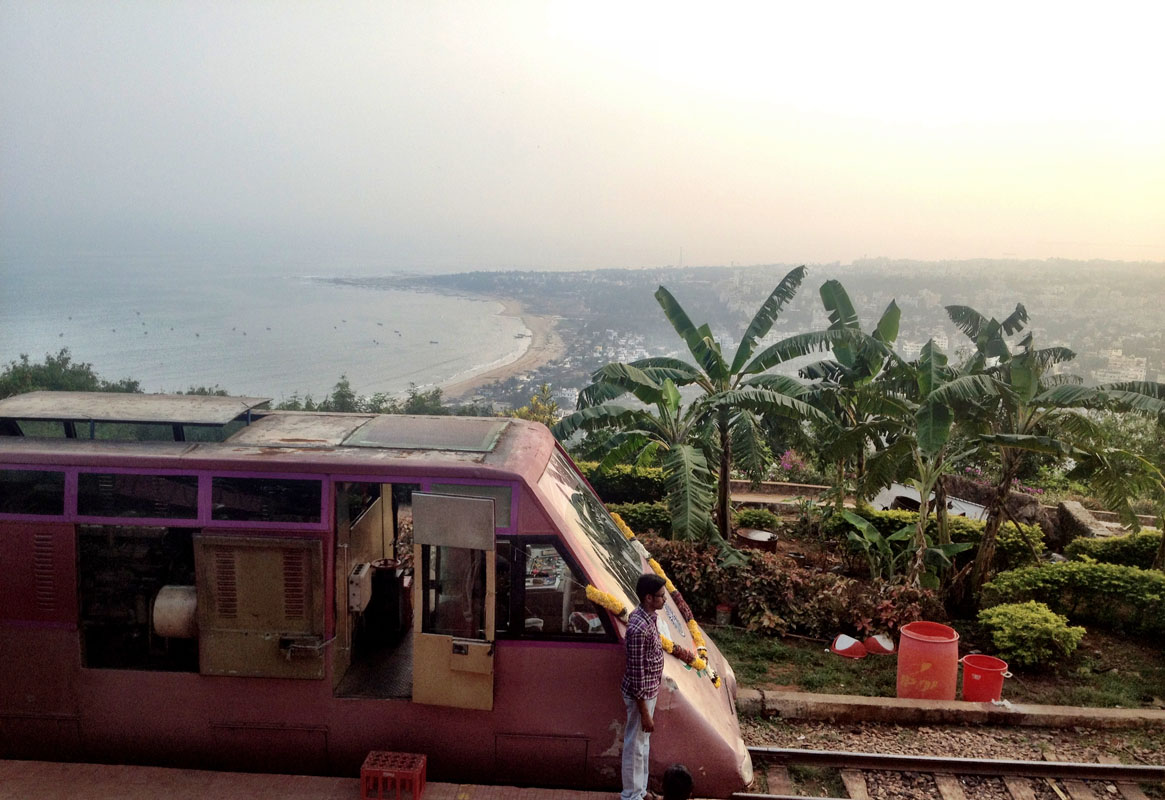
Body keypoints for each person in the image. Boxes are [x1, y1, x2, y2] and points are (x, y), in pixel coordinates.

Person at [621, 573, 667, 800]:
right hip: (641, 695)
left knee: (642, 744)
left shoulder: (648, 618)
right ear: (649, 598)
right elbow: (636, 672)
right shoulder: (638, 628)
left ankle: (640, 791)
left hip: (648, 691)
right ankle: (631, 795)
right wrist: (645, 712)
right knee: (636, 746)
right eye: (661, 596)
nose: (664, 600)